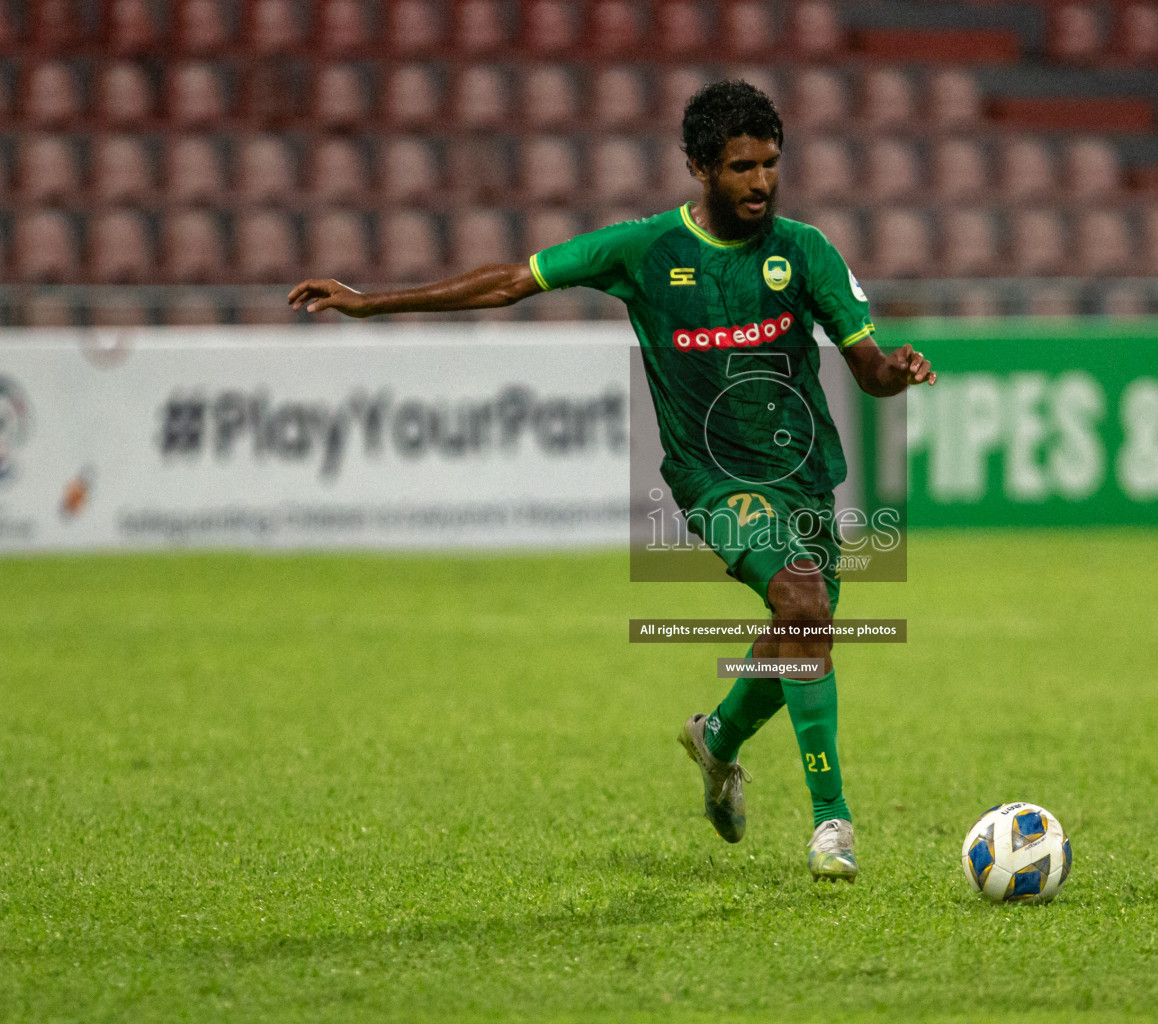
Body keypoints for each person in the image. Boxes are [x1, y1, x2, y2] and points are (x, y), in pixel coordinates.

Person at [287, 80, 936, 883]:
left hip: (801, 477)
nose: (760, 182)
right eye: (740, 167)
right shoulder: (643, 250)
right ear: (700, 166)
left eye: (770, 164)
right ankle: (832, 822)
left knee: (805, 628)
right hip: (712, 479)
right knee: (801, 600)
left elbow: (866, 366)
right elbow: (507, 282)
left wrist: (897, 370)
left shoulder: (806, 251)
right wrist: (371, 303)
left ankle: (719, 739)